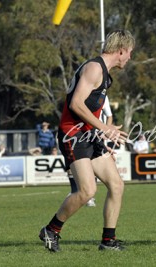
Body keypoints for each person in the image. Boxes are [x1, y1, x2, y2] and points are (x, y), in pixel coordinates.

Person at [38, 29, 135, 252]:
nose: (130, 57)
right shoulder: (94, 68)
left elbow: (88, 110)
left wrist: (101, 133)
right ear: (121, 50)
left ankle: (108, 241)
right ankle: (51, 230)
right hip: (73, 135)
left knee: (117, 185)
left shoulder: (105, 74)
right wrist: (105, 128)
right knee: (87, 191)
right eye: (129, 52)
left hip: (89, 135)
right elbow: (76, 104)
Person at [67, 96, 114, 208]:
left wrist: (105, 131)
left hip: (95, 135)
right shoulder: (78, 94)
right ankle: (74, 191)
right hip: (77, 134)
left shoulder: (103, 96)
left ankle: (90, 196)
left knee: (94, 166)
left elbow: (109, 116)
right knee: (71, 163)